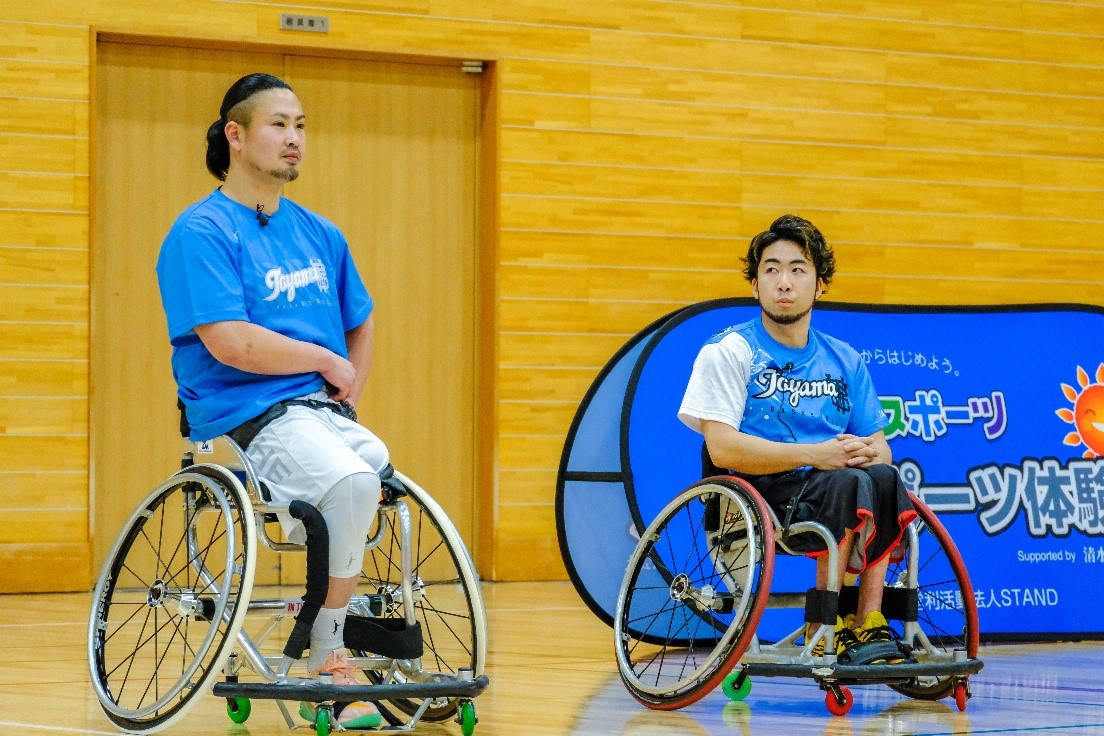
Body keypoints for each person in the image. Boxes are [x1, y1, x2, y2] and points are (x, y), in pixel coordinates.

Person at [157, 72, 385, 729]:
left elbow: (360, 318)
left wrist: (351, 386)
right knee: (349, 484)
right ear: (236, 134)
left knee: (374, 468)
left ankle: (323, 603)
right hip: (242, 409)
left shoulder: (320, 234)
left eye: (302, 126)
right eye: (279, 124)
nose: (295, 139)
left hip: (316, 411)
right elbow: (232, 344)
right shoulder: (200, 233)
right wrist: (322, 360)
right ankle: (327, 651)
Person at [677, 214, 917, 658]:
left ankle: (868, 621)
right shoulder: (730, 351)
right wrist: (817, 454)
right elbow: (722, 447)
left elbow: (881, 445)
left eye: (797, 269)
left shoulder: (843, 358)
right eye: (771, 270)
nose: (783, 282)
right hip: (762, 490)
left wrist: (865, 451)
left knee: (883, 477)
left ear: (820, 283)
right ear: (754, 285)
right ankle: (824, 622)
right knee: (848, 482)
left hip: (833, 480)